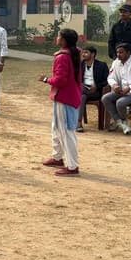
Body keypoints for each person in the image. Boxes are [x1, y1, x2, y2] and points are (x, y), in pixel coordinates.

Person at [39, 29, 82, 176]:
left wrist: (46, 80)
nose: (57, 38)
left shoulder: (63, 57)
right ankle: (57, 157)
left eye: (59, 36)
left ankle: (72, 166)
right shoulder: (75, 52)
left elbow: (60, 80)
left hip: (64, 97)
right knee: (56, 128)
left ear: (63, 40)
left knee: (66, 131)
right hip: (70, 95)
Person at [77, 45, 109, 132]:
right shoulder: (80, 65)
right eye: (83, 52)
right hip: (83, 90)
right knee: (82, 96)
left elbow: (107, 81)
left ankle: (76, 122)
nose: (83, 54)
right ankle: (78, 122)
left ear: (93, 54)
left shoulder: (102, 65)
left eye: (86, 52)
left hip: (96, 92)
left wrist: (97, 86)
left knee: (79, 93)